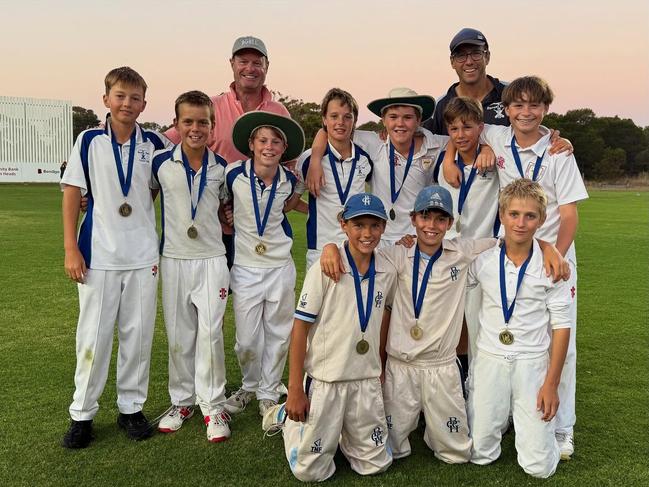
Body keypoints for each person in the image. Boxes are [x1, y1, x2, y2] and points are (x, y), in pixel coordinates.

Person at [315, 186, 568, 465]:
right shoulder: (397, 253)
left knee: (457, 455)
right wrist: (330, 247)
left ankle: (435, 430)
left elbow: (511, 240)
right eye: (425, 217)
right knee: (390, 449)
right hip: (402, 366)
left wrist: (548, 247)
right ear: (413, 219)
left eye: (440, 219)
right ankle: (344, 433)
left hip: (441, 366)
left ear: (450, 223)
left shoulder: (462, 251)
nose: (431, 226)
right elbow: (360, 247)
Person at [469, 76, 588, 459]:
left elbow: (569, 214)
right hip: (513, 250)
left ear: (545, 110)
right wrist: (472, 152)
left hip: (554, 257)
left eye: (534, 106)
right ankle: (506, 413)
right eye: (518, 105)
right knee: (511, 335)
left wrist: (554, 250)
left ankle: (561, 429)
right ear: (507, 110)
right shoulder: (498, 136)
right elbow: (459, 128)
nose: (526, 112)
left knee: (559, 345)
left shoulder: (558, 152)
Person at [60, 67, 170, 448]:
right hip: (98, 256)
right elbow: (73, 193)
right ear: (106, 98)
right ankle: (82, 414)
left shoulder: (154, 143)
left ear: (144, 103)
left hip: (142, 256)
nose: (127, 103)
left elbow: (158, 187)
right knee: (94, 335)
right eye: (120, 96)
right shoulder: (89, 140)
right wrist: (71, 247)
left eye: (135, 97)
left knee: (137, 336)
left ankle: (131, 409)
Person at [281, 193, 396, 482]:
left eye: (374, 225)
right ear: (343, 224)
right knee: (310, 472)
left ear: (383, 227)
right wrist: (295, 388)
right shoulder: (325, 266)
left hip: (365, 381)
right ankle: (288, 421)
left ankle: (345, 433)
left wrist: (379, 364)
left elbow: (383, 317)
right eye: (358, 225)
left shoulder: (387, 268)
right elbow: (299, 328)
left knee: (376, 465)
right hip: (326, 380)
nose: (367, 233)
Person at [467, 178, 572, 478]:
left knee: (538, 468)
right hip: (490, 360)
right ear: (501, 215)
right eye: (513, 214)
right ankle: (494, 413)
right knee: (480, 455)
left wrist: (551, 384)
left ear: (542, 219)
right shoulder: (484, 261)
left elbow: (562, 327)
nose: (521, 223)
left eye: (530, 216)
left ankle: (540, 433)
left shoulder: (553, 268)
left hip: (532, 363)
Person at [164, 36, 291, 269]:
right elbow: (165, 140)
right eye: (243, 61)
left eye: (257, 62)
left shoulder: (279, 111)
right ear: (232, 63)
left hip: (261, 228)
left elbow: (290, 166)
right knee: (217, 298)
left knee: (262, 295)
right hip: (216, 226)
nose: (250, 68)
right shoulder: (210, 107)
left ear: (267, 66)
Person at [150, 91, 232, 442]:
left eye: (203, 122)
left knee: (210, 334)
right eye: (188, 121)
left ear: (213, 127)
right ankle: (182, 401)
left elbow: (227, 210)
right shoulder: (159, 163)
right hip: (174, 259)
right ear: (177, 124)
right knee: (180, 334)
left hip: (212, 259)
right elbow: (142, 200)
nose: (196, 128)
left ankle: (213, 405)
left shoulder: (222, 169)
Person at [223, 111, 304, 418]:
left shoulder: (291, 180)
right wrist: (224, 214)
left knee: (279, 333)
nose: (269, 147)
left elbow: (294, 203)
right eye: (263, 140)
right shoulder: (232, 174)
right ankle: (249, 385)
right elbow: (219, 202)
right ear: (252, 144)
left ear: (284, 149)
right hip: (245, 266)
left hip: (279, 266)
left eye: (276, 142)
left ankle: (268, 392)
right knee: (246, 340)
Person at [306, 88, 452, 246]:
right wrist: (315, 161)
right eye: (393, 117)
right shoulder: (374, 142)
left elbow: (461, 139)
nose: (400, 123)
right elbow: (328, 131)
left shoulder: (434, 144)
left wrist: (458, 156)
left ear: (418, 120)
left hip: (416, 238)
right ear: (383, 120)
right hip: (379, 239)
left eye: (408, 117)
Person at [295, 88, 373, 269]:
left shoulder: (365, 159)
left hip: (356, 247)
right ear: (324, 119)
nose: (341, 122)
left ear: (354, 121)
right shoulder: (308, 160)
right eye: (334, 116)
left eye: (347, 117)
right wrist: (314, 210)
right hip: (320, 249)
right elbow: (292, 201)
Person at [423, 28, 508, 136]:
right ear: (452, 62)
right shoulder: (440, 106)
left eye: (476, 53)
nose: (469, 62)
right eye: (461, 56)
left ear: (487, 57)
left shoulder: (510, 95)